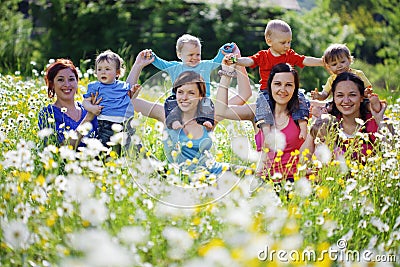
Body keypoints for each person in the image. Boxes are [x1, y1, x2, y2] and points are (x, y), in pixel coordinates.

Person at [126, 51, 230, 176]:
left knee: (250, 175)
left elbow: (245, 95)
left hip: (212, 173)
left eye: (191, 93)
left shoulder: (207, 117)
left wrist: (231, 69)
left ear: (201, 97)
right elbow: (126, 100)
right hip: (177, 176)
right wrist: (138, 65)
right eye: (180, 92)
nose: (184, 97)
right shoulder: (165, 114)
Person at [216, 59, 310, 182]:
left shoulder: (302, 114)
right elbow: (221, 110)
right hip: (263, 180)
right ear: (270, 86)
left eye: (288, 85)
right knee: (221, 171)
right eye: (277, 84)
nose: (283, 89)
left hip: (293, 181)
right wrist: (226, 74)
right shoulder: (257, 110)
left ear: (295, 88)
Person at [233, 19, 324, 144]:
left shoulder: (290, 55)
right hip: (267, 91)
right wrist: (236, 61)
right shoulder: (263, 56)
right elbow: (249, 61)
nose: (287, 46)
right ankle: (266, 133)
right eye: (283, 43)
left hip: (288, 91)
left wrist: (321, 61)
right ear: (269, 41)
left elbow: (304, 60)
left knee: (301, 100)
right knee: (262, 105)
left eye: (289, 42)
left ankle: (303, 126)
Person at [141, 34, 251, 130]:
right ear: (179, 55)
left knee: (207, 104)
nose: (195, 58)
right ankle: (174, 121)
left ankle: (205, 121)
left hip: (202, 100)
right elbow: (161, 63)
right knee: (170, 103)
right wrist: (152, 57)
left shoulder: (205, 65)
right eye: (190, 55)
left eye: (198, 54)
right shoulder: (174, 67)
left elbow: (216, 60)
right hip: (179, 101)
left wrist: (223, 51)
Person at [305, 72, 389, 160]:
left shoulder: (377, 122)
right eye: (340, 95)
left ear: (361, 98)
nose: (346, 101)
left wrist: (379, 119)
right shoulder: (326, 122)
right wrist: (319, 123)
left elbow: (392, 154)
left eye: (352, 95)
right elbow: (304, 159)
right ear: (334, 98)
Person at [82, 50, 140, 154]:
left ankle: (154, 168)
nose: (102, 72)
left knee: (135, 150)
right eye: (99, 69)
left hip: (127, 125)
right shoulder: (95, 86)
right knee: (105, 151)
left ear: (117, 72)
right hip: (106, 125)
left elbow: (130, 98)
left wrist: (134, 91)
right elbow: (85, 102)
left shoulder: (123, 86)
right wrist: (92, 108)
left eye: (107, 69)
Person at [38, 59, 99, 149]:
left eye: (71, 79)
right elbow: (61, 148)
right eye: (60, 80)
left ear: (77, 82)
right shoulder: (47, 114)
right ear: (52, 84)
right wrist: (88, 118)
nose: (67, 84)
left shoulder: (88, 109)